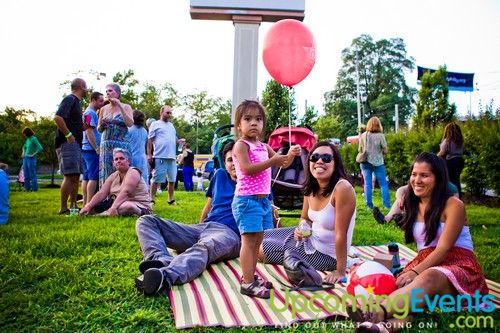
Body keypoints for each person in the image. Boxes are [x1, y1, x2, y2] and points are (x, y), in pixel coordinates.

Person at [348, 153, 488, 332]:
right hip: (425, 262)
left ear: (438, 179)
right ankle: (382, 328)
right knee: (406, 289)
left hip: (459, 265)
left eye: (424, 175)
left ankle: (377, 312)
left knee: (428, 277)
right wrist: (412, 271)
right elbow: (402, 190)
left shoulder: (454, 205)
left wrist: (415, 271)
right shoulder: (413, 203)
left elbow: (444, 249)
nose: (417, 180)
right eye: (414, 174)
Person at [135, 142, 242, 295]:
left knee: (205, 246)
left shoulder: (256, 182)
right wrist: (200, 226)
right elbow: (209, 205)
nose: (234, 163)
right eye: (230, 160)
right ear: (224, 163)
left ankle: (165, 276)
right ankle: (161, 259)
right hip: (205, 227)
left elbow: (269, 213)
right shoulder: (219, 175)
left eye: (239, 158)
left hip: (229, 234)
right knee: (146, 221)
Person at [259, 141, 356, 284]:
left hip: (326, 254)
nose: (319, 161)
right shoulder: (312, 186)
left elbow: (341, 234)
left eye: (326, 158)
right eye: (314, 157)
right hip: (308, 239)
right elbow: (305, 218)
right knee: (258, 237)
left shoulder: (342, 189)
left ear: (336, 164)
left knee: (260, 249)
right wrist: (301, 228)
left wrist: (340, 270)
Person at [232, 100, 300, 299]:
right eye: (248, 119)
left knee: (258, 240)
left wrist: (290, 154)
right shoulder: (241, 145)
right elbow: (247, 169)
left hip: (263, 202)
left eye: (258, 119)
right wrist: (274, 160)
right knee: (248, 241)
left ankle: (250, 276)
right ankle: (247, 282)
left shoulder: (263, 146)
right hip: (247, 201)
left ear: (263, 124)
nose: (254, 123)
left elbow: (283, 164)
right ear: (239, 125)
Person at [80, 148, 152, 216]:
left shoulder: (133, 172)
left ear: (128, 162)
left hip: (138, 204)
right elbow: (102, 192)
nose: (118, 161)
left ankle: (100, 215)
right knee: (93, 206)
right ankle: (103, 212)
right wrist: (88, 206)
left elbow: (126, 192)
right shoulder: (113, 176)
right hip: (118, 203)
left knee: (126, 206)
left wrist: (113, 207)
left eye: (122, 158)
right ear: (113, 163)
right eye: (116, 159)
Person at [54, 78, 87, 214]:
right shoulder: (70, 99)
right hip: (67, 143)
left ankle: (73, 208)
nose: (87, 89)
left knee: (75, 175)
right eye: (86, 86)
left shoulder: (77, 103)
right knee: (69, 175)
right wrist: (68, 135)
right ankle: (63, 208)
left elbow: (72, 123)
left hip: (76, 144)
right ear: (81, 86)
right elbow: (57, 118)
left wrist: (83, 127)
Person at [97, 83, 134, 187]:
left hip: (122, 145)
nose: (108, 93)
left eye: (110, 91)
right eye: (107, 91)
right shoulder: (103, 109)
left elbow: (130, 123)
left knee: (122, 172)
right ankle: (106, 200)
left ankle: (122, 197)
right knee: (107, 172)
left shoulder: (126, 107)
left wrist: (120, 106)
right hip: (106, 144)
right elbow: (99, 129)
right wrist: (102, 125)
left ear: (117, 93)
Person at [373, 181, 458, 225]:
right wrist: (399, 199)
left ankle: (407, 219)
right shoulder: (419, 180)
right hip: (421, 210)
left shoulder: (450, 188)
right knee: (404, 195)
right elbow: (401, 189)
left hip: (436, 215)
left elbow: (453, 211)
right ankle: (387, 219)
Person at [147, 105, 184, 204]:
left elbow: (174, 138)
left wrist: (179, 141)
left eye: (170, 113)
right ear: (161, 113)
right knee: (156, 179)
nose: (169, 115)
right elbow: (150, 140)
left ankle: (171, 199)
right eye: (167, 112)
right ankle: (151, 199)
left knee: (172, 179)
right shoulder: (155, 124)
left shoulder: (171, 126)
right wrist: (149, 154)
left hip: (172, 156)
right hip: (160, 156)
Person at [359, 116, 391, 210]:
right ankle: (386, 206)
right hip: (378, 163)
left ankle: (369, 206)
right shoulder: (381, 135)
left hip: (365, 162)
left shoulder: (364, 135)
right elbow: (385, 150)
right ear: (378, 125)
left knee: (367, 184)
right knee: (383, 184)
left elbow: (360, 149)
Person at [82, 92, 105, 206]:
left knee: (86, 177)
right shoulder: (90, 113)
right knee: (93, 177)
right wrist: (96, 147)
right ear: (93, 100)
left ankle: (86, 203)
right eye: (100, 101)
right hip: (90, 149)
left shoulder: (90, 112)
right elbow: (89, 131)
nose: (102, 103)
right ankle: (90, 205)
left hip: (86, 149)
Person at [438, 122, 464, 199]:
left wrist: (434, 158)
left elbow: (442, 152)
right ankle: (458, 197)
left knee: (448, 180)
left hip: (450, 162)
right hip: (459, 161)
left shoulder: (447, 141)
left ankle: (448, 197)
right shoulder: (460, 141)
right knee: (456, 180)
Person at [128, 110, 149, 190]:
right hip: (142, 157)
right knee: (143, 177)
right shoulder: (144, 131)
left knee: (132, 177)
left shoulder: (129, 129)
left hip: (132, 156)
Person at [21, 127, 43, 192]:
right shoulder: (27, 139)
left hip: (31, 159)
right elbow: (24, 147)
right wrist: (23, 152)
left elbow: (40, 148)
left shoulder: (34, 139)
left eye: (24, 133)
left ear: (27, 133)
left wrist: (33, 154)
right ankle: (27, 189)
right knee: (26, 175)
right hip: (25, 158)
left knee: (32, 175)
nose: (24, 135)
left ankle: (34, 189)